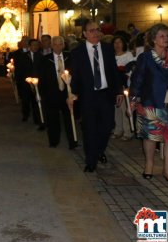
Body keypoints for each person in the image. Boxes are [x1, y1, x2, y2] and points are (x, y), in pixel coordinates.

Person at [68, 20, 123, 173]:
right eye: (92, 30)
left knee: (108, 126)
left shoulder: (107, 49)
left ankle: (99, 150)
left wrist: (119, 91)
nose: (96, 33)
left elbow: (114, 72)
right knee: (89, 129)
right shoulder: (77, 53)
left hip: (106, 94)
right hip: (88, 96)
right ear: (85, 34)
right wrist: (71, 94)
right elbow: (75, 76)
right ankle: (91, 161)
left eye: (98, 30)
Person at [130, 23, 168, 186]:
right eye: (161, 36)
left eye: (167, 36)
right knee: (151, 137)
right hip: (150, 102)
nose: (165, 39)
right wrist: (133, 99)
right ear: (153, 39)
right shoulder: (145, 58)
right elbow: (137, 79)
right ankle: (149, 165)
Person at [38, 36, 76, 149]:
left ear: (64, 45)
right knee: (52, 119)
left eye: (60, 44)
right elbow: (42, 78)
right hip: (52, 93)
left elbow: (76, 73)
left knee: (70, 118)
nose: (58, 47)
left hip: (67, 93)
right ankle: (54, 141)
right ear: (51, 45)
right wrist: (43, 94)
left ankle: (73, 141)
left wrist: (74, 91)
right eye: (55, 44)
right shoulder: (45, 59)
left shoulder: (70, 57)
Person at [14, 38, 42, 128]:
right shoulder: (23, 56)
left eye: (37, 45)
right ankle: (25, 114)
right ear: (29, 46)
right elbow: (19, 70)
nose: (35, 47)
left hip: (37, 82)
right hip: (25, 82)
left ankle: (37, 118)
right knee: (26, 100)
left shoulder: (41, 56)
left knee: (36, 100)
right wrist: (19, 81)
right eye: (33, 45)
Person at [112, 35, 135, 141]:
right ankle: (118, 129)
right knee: (116, 108)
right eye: (115, 42)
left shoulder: (128, 55)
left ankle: (128, 131)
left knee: (125, 108)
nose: (117, 45)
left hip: (125, 85)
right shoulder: (111, 56)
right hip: (114, 86)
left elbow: (131, 70)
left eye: (119, 42)